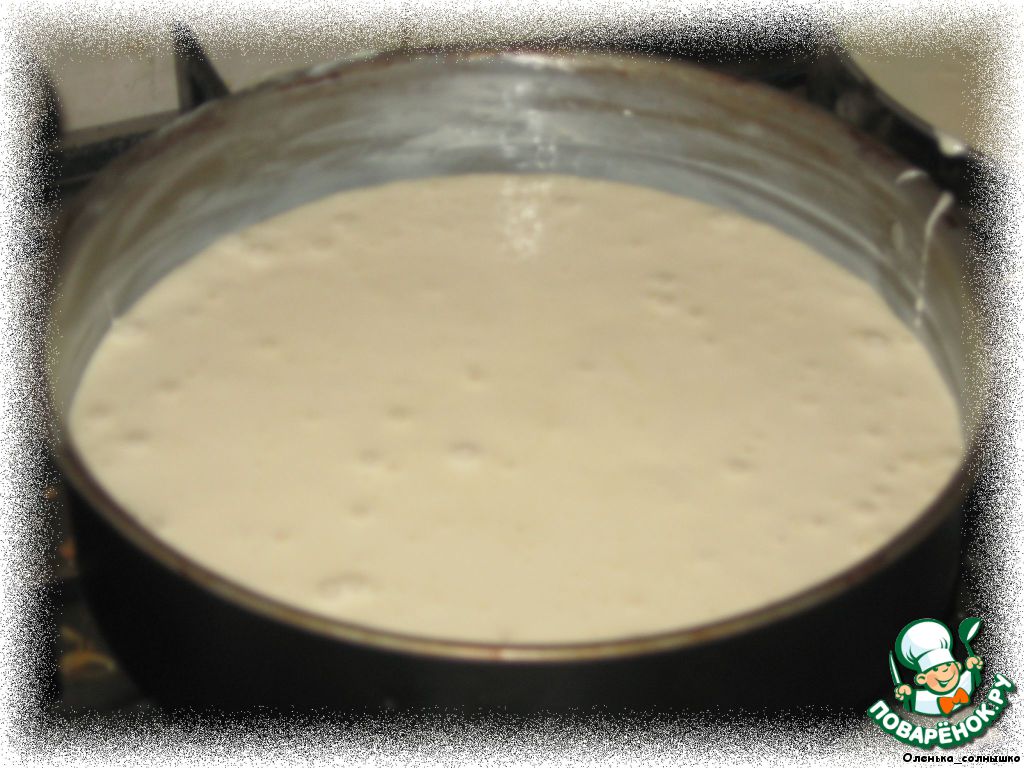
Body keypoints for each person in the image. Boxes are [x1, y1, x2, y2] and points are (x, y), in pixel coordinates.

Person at [893, 618, 983, 716]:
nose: (944, 671)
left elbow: (975, 678)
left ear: (958, 666)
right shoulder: (924, 700)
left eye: (948, 665)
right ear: (922, 679)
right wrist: (906, 694)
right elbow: (910, 701)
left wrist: (973, 667)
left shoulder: (965, 682)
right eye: (935, 669)